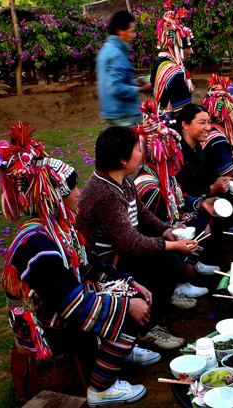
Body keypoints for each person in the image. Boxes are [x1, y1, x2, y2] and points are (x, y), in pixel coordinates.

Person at [0, 122, 156, 405]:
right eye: (72, 190)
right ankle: (101, 389)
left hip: (64, 301)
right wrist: (125, 306)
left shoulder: (59, 229)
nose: (78, 194)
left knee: (133, 292)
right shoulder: (36, 245)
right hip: (46, 320)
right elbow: (69, 303)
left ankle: (118, 350)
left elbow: (87, 265)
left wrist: (128, 281)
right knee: (127, 309)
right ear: (53, 199)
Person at [76, 126, 199, 350]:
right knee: (170, 263)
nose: (142, 152)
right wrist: (172, 245)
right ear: (123, 160)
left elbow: (142, 214)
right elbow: (129, 243)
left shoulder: (123, 180)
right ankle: (146, 329)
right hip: (104, 263)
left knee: (170, 258)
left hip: (121, 251)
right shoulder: (106, 194)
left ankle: (153, 313)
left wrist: (166, 231)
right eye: (136, 148)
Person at [134, 100, 220, 285]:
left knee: (204, 218)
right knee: (198, 228)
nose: (179, 159)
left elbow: (180, 197)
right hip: (154, 240)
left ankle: (189, 266)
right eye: (173, 154)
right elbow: (151, 227)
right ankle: (179, 280)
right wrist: (172, 234)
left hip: (168, 225)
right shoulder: (151, 187)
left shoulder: (166, 176)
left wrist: (201, 202)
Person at [96, 11, 151, 127]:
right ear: (119, 31)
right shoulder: (117, 54)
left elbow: (113, 80)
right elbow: (115, 87)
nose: (133, 35)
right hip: (125, 116)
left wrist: (135, 82)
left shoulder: (106, 50)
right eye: (131, 31)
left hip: (112, 114)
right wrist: (141, 88)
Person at [150, 2, 195, 133]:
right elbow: (184, 112)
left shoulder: (161, 64)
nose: (190, 51)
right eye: (188, 47)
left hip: (162, 123)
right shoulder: (175, 73)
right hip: (175, 130)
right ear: (178, 45)